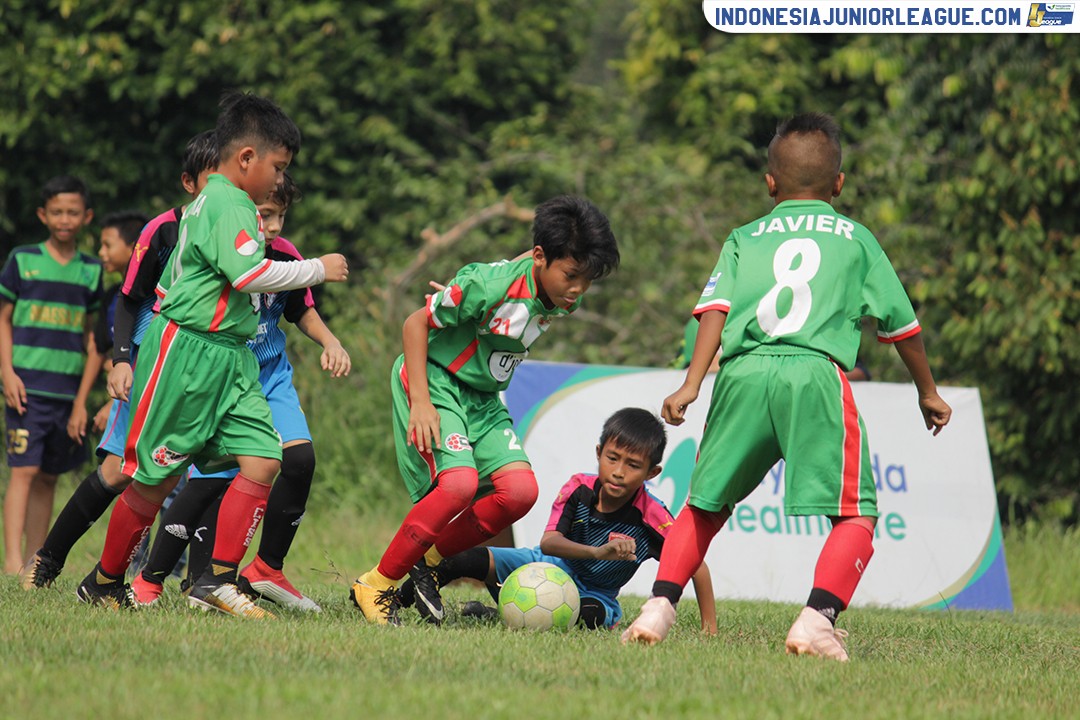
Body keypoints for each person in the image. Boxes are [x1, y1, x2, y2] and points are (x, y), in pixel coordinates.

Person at [622, 113, 953, 661]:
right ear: (839, 184)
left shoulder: (744, 236)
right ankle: (816, 621)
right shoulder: (856, 238)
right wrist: (928, 391)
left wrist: (689, 385)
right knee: (855, 514)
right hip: (814, 374)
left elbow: (714, 311)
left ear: (770, 183)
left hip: (743, 372)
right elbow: (901, 326)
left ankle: (659, 607)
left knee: (703, 506)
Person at [74, 92, 348, 618]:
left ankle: (217, 579)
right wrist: (318, 267)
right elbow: (248, 275)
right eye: (278, 167)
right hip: (189, 354)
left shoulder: (234, 202)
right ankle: (105, 582)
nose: (278, 180)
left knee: (266, 459)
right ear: (247, 158)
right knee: (154, 478)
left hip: (233, 357)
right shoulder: (226, 203)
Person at [350, 195, 620, 625]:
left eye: (588, 279)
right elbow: (414, 323)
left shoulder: (564, 295)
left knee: (519, 493)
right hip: (437, 381)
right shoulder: (488, 286)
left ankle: (430, 562)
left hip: (484, 399)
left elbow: (522, 282)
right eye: (571, 275)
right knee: (457, 485)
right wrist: (421, 401)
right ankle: (376, 583)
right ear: (540, 258)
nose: (578, 289)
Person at [129, 173, 350, 612]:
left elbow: (300, 309)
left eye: (280, 216)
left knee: (299, 459)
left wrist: (331, 342)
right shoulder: (224, 249)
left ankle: (266, 570)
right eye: (265, 215)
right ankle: (152, 579)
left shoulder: (287, 256)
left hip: (270, 375)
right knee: (208, 477)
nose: (273, 226)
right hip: (221, 374)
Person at [18, 131, 218, 589]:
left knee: (214, 470)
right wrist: (123, 360)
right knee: (117, 471)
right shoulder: (162, 231)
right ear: (190, 183)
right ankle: (47, 560)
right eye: (214, 180)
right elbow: (129, 302)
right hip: (153, 363)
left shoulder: (238, 231)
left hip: (207, 368)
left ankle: (200, 582)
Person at [400, 408, 717, 632]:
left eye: (633, 465)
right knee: (461, 559)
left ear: (652, 473)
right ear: (598, 453)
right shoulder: (578, 488)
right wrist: (598, 552)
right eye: (612, 458)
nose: (619, 471)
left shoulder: (652, 518)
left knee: (589, 617)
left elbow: (696, 565)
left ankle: (495, 615)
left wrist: (709, 630)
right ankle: (395, 598)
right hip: (542, 566)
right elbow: (549, 543)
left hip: (596, 594)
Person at [1, 175, 104, 574]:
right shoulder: (22, 260)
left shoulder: (91, 271)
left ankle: (33, 559)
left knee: (47, 476)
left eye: (73, 212)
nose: (65, 219)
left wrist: (82, 400)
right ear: (44, 215)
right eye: (57, 212)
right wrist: (7, 373)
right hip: (26, 387)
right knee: (23, 471)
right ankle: (11, 563)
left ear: (86, 216)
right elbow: (4, 320)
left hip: (66, 392)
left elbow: (93, 339)